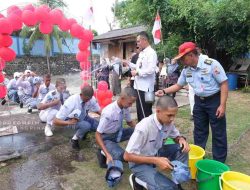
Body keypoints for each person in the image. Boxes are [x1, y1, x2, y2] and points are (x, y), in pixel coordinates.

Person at [155, 42, 228, 163]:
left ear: (192, 55)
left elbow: (224, 83)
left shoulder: (211, 64)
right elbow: (179, 85)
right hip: (199, 101)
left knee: (218, 132)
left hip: (214, 100)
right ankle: (199, 157)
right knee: (199, 131)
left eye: (183, 57)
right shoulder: (186, 70)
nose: (182, 61)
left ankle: (219, 162)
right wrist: (164, 91)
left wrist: (222, 104)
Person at [124, 96, 190, 190]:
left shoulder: (168, 123)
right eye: (169, 115)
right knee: (166, 187)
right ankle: (137, 179)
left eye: (174, 115)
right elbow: (127, 156)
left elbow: (176, 136)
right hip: (139, 163)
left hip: (157, 153)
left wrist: (181, 140)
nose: (172, 119)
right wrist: (156, 160)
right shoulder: (143, 127)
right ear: (158, 111)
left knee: (182, 149)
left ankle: (176, 182)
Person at [95, 87, 137, 187]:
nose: (131, 105)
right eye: (130, 103)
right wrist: (107, 154)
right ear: (122, 98)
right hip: (106, 138)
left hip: (118, 133)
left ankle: (141, 151)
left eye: (132, 103)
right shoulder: (108, 112)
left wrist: (141, 130)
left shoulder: (125, 107)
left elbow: (129, 122)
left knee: (136, 132)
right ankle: (104, 153)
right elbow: (97, 134)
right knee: (122, 156)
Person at [124, 31, 157, 122]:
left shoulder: (151, 53)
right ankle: (144, 130)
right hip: (139, 87)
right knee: (140, 111)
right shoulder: (142, 53)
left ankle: (147, 131)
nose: (137, 44)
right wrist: (129, 63)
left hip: (147, 89)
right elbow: (138, 67)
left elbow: (151, 70)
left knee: (145, 111)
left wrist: (137, 73)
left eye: (138, 41)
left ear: (144, 40)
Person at [53, 85, 100, 150]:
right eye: (86, 99)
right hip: (69, 120)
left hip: (83, 117)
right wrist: (69, 122)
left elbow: (98, 110)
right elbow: (55, 121)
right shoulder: (71, 101)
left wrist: (107, 117)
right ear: (81, 94)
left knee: (99, 126)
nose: (88, 101)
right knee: (86, 126)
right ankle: (74, 140)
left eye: (89, 99)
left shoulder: (91, 99)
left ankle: (84, 132)